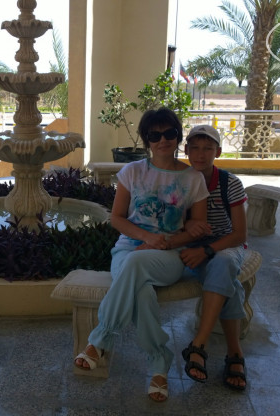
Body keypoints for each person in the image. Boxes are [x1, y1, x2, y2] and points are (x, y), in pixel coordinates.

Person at [73, 108, 210, 402]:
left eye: (169, 133)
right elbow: (117, 219)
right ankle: (159, 364)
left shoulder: (192, 178)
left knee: (136, 263)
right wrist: (147, 237)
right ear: (146, 140)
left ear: (178, 136)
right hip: (129, 247)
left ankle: (101, 338)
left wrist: (165, 242)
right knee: (143, 292)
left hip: (169, 255)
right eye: (154, 135)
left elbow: (197, 228)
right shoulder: (132, 172)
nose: (163, 140)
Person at [179, 124, 249, 391]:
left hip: (226, 244)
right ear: (186, 150)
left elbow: (240, 234)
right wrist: (188, 227)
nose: (201, 154)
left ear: (218, 152)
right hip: (190, 245)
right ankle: (235, 352)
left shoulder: (229, 183)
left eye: (208, 148)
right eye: (195, 148)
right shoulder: (181, 180)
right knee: (231, 283)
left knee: (224, 262)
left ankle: (199, 344)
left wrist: (207, 250)